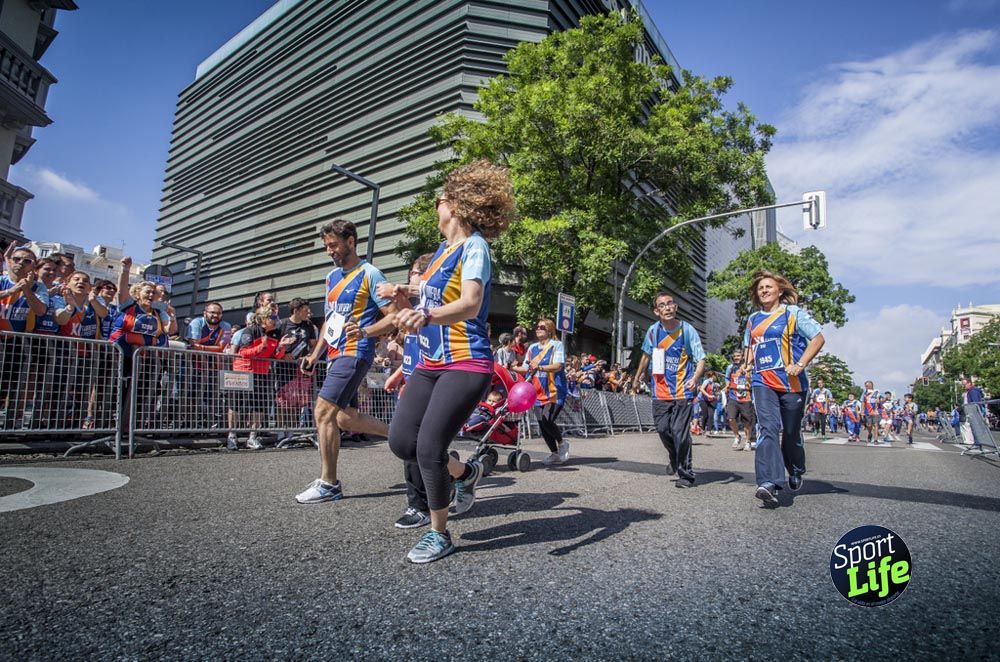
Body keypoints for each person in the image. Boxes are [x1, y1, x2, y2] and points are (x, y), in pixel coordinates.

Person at [388, 159, 515, 563]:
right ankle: (467, 473)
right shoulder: (442, 252)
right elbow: (431, 295)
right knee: (402, 441)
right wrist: (404, 291)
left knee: (429, 447)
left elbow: (470, 302)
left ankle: (438, 532)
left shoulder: (475, 247)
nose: (436, 205)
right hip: (431, 362)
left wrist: (425, 314)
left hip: (467, 363)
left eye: (440, 198)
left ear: (457, 205)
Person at [295, 219, 398, 503]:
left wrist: (368, 332)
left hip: (355, 352)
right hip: (333, 354)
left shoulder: (371, 274)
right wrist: (315, 355)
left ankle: (328, 483)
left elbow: (393, 315)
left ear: (351, 241)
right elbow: (331, 319)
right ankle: (402, 437)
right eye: (326, 246)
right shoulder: (331, 278)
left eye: (334, 245)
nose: (330, 251)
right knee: (344, 417)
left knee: (323, 412)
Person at [742, 271, 824, 507]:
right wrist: (747, 365)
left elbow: (818, 338)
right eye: (760, 289)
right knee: (767, 427)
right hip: (762, 381)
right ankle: (768, 482)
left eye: (769, 287)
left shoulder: (793, 314)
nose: (764, 291)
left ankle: (796, 468)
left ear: (779, 290)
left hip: (791, 383)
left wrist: (800, 364)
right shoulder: (753, 319)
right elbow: (750, 346)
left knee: (790, 432)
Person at [379, 253, 434, 529]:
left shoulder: (432, 310)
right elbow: (414, 350)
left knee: (414, 445)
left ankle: (419, 506)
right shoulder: (412, 309)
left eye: (412, 271)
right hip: (413, 383)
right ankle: (462, 474)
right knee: (417, 446)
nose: (408, 276)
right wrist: (400, 374)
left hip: (430, 385)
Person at [631, 291, 706, 487]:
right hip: (660, 391)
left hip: (683, 389)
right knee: (663, 429)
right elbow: (646, 356)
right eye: (662, 305)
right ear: (657, 311)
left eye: (670, 303)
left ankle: (686, 474)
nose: (667, 307)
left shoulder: (687, 330)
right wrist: (637, 378)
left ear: (676, 307)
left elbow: (701, 359)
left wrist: (695, 378)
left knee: (679, 431)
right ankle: (674, 456)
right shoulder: (653, 332)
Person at [230, 307, 295, 449]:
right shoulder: (251, 331)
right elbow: (244, 352)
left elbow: (275, 356)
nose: (276, 320)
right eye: (272, 317)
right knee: (237, 405)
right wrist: (261, 346)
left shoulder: (276, 333)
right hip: (244, 371)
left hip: (262, 372)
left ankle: (252, 437)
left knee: (258, 406)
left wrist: (282, 347)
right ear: (263, 319)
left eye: (276, 317)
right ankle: (232, 436)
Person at [513, 317, 569, 465]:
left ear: (550, 330)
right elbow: (526, 368)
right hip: (537, 392)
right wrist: (513, 368)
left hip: (554, 390)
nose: (538, 329)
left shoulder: (556, 345)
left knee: (547, 419)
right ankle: (554, 453)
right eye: (537, 326)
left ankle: (562, 442)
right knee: (542, 424)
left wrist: (540, 368)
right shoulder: (532, 348)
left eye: (542, 327)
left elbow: (558, 366)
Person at [724, 349, 755, 451]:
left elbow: (753, 381)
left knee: (747, 422)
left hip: (746, 397)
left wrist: (747, 376)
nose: (736, 358)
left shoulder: (749, 367)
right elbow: (727, 378)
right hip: (733, 396)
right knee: (731, 418)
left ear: (743, 357)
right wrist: (727, 385)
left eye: (738, 356)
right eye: (735, 356)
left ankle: (748, 441)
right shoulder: (730, 367)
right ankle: (737, 436)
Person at [960, 377, 986, 445]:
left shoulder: (973, 391)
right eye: (962, 385)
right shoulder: (969, 391)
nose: (963, 386)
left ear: (969, 383)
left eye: (964, 384)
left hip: (973, 413)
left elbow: (975, 403)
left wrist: (975, 412)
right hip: (971, 412)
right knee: (973, 428)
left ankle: (977, 443)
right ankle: (976, 443)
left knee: (975, 429)